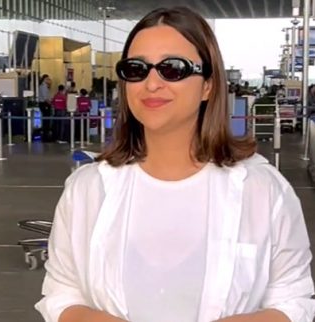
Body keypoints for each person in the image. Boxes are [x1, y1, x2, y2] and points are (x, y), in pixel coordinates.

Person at [35, 6, 315, 322]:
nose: (152, 83)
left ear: (208, 84)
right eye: (136, 68)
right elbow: (61, 293)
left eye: (173, 68)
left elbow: (294, 302)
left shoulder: (264, 190)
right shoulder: (87, 188)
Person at [38, 74, 52, 142]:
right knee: (46, 119)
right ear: (45, 79)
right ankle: (45, 135)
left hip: (44, 103)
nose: (49, 80)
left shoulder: (45, 86)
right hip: (44, 104)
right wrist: (51, 104)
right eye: (48, 79)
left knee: (46, 119)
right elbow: (45, 97)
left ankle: (46, 133)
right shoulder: (43, 86)